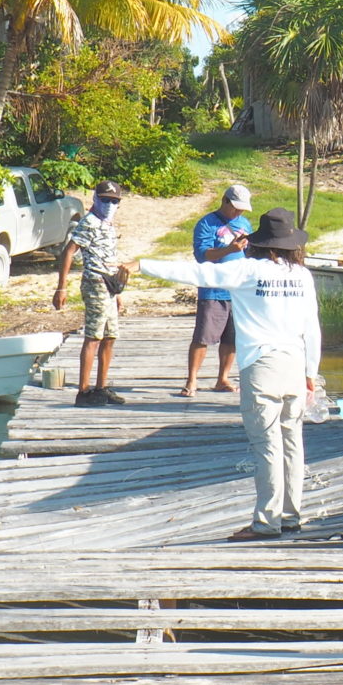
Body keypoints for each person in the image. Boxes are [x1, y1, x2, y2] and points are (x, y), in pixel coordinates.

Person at [136, 212, 322, 539]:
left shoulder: (247, 270)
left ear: (260, 243)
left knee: (267, 445)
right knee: (293, 443)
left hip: (263, 366)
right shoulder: (303, 276)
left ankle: (266, 523)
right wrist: (311, 372)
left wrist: (143, 264)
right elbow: (313, 329)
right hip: (295, 363)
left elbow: (197, 272)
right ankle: (291, 516)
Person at [52, 179, 129, 407]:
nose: (110, 205)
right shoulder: (90, 222)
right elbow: (69, 252)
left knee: (110, 336)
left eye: (114, 201)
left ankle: (101, 387)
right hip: (95, 283)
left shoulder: (109, 224)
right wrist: (61, 287)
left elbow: (109, 257)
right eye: (105, 200)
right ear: (96, 199)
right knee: (93, 336)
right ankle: (83, 391)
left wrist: (118, 291)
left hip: (110, 285)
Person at [177, 183, 255, 398]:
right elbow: (202, 255)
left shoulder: (244, 223)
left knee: (231, 338)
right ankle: (192, 380)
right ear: (225, 201)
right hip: (213, 290)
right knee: (203, 337)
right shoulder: (206, 224)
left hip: (238, 290)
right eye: (235, 207)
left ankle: (223, 378)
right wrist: (230, 248)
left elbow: (251, 253)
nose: (238, 212)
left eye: (242, 209)